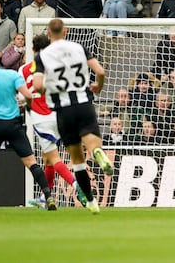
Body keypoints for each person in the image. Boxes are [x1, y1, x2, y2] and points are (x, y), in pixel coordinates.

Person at [32, 19, 114, 214]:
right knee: (92, 143)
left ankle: (92, 203)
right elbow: (100, 71)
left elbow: (37, 85)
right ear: (66, 31)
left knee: (77, 160)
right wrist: (98, 86)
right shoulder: (79, 48)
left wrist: (50, 87)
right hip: (84, 103)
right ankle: (97, 153)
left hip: (63, 110)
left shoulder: (43, 56)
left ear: (49, 34)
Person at [0, 46, 55, 211]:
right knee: (31, 162)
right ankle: (48, 196)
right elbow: (28, 95)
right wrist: (26, 107)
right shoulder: (12, 75)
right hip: (13, 124)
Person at [20, 34, 88, 208]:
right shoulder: (56, 67)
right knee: (47, 159)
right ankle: (46, 197)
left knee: (53, 158)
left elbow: (23, 96)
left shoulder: (24, 69)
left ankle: (76, 184)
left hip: (41, 118)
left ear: (33, 49)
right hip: (59, 114)